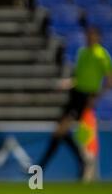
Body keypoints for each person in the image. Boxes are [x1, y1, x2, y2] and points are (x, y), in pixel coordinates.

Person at [38, 27, 112, 179]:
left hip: (85, 97)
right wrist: (67, 84)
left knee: (60, 131)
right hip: (75, 94)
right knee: (59, 133)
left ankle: (40, 166)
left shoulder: (102, 55)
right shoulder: (82, 53)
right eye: (88, 35)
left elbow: (109, 80)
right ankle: (81, 162)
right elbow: (78, 77)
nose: (89, 38)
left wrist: (96, 96)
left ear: (98, 37)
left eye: (92, 35)